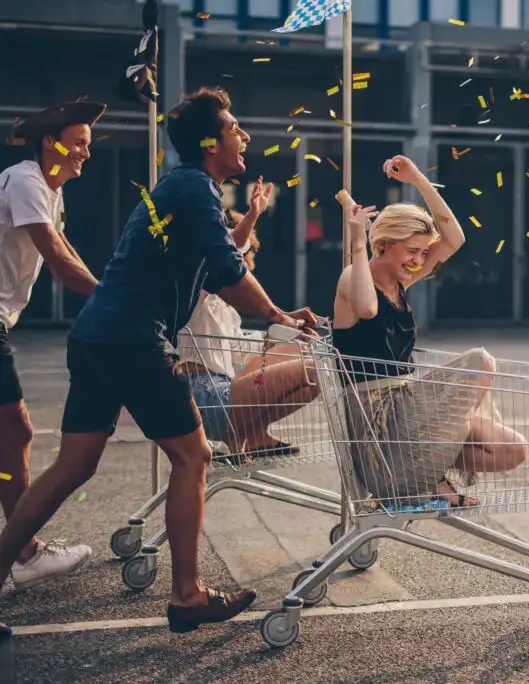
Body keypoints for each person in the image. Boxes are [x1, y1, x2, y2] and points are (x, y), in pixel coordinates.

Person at [0, 86, 319, 641]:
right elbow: (226, 270)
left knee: (74, 465)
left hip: (97, 335)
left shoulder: (179, 186)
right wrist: (278, 314)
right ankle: (188, 595)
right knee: (193, 455)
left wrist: (269, 306)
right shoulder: (195, 188)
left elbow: (216, 264)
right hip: (134, 340)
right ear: (207, 142)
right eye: (233, 127)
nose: (242, 136)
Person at [332, 155, 527, 509]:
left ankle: (434, 475)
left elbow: (454, 238)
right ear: (383, 245)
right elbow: (367, 309)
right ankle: (430, 481)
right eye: (411, 251)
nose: (419, 261)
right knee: (480, 362)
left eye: (423, 253)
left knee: (511, 449)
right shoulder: (352, 277)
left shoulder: (402, 279)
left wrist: (418, 180)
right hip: (380, 426)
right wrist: (358, 242)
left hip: (408, 416)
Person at [0, 101, 107, 595]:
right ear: (52, 142)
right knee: (15, 431)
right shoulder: (24, 180)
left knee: (12, 435)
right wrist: (113, 297)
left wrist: (107, 288)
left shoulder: (48, 190)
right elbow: (57, 260)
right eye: (79, 141)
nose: (86, 150)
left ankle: (23, 551)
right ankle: (24, 553)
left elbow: (67, 251)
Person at [176, 201, 319, 461]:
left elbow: (241, 348)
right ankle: (246, 434)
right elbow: (223, 256)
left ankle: (254, 435)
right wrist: (253, 215)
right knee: (314, 370)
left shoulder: (226, 307)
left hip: (222, 390)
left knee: (307, 360)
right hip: (203, 396)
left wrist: (289, 330)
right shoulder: (197, 289)